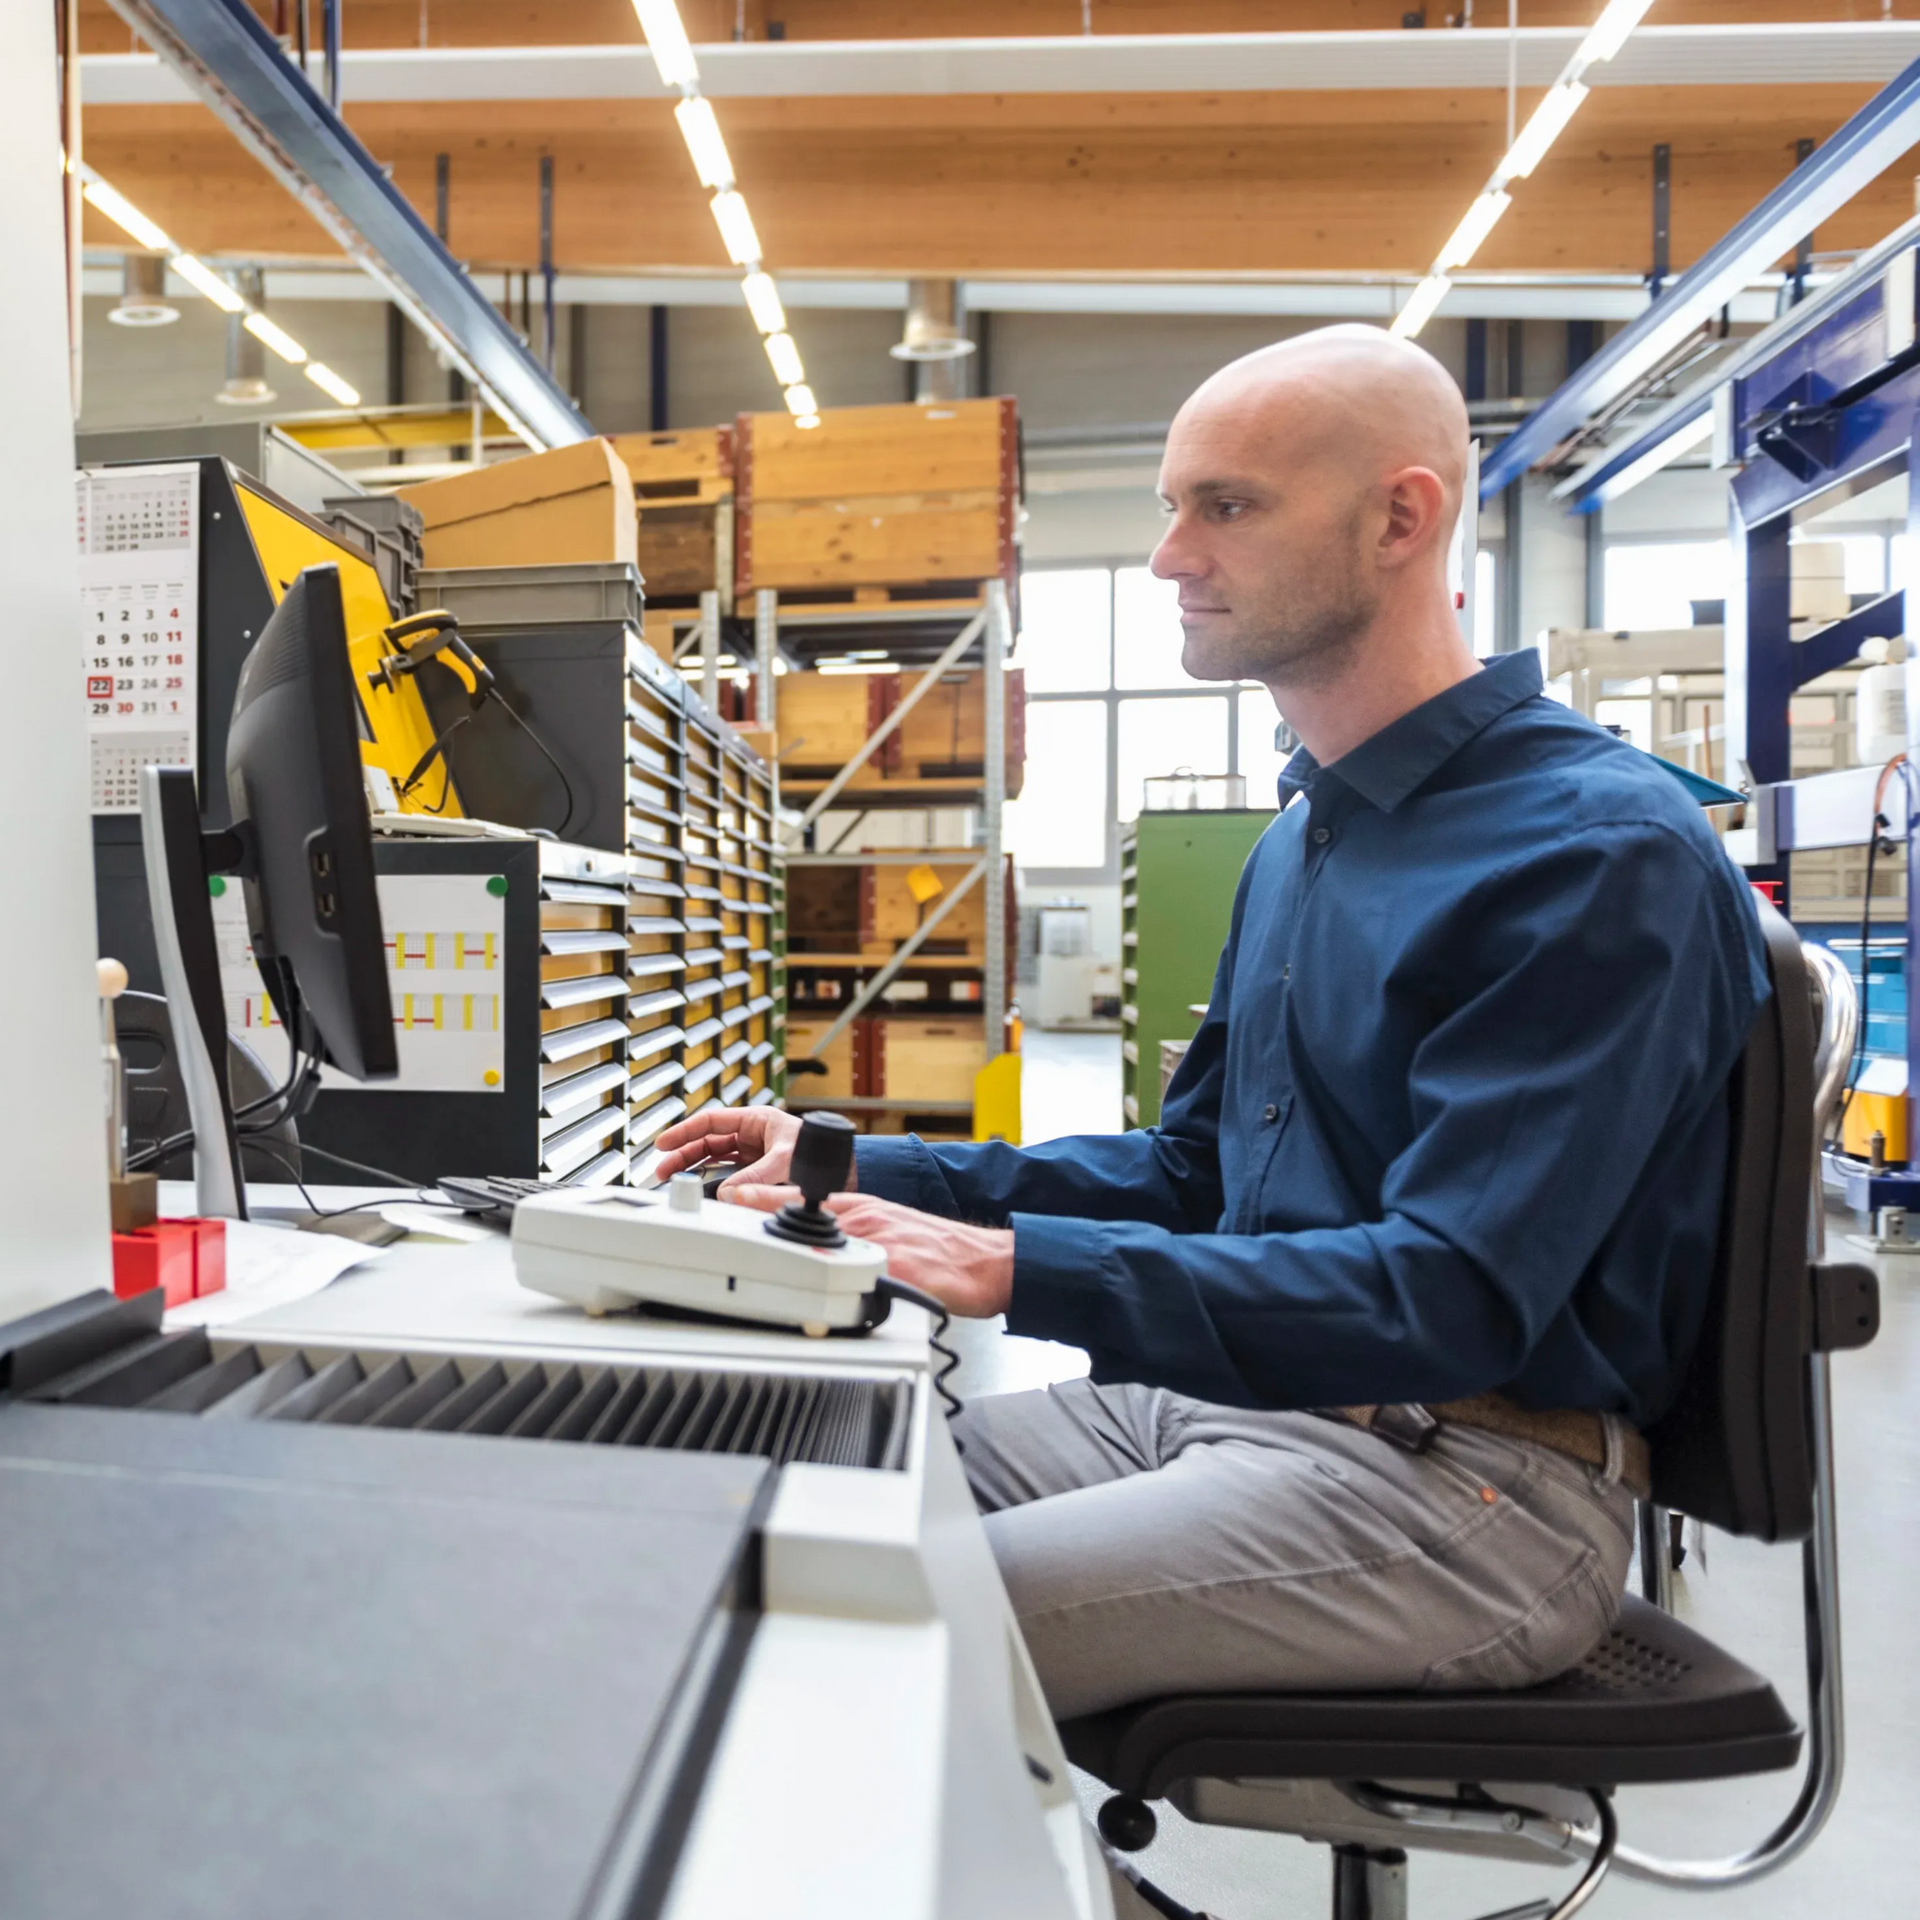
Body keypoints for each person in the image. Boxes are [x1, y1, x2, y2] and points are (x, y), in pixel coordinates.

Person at [654, 324, 1769, 1722]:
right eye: (1171, 505)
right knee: (750, 1506)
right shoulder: (1303, 840)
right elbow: (1198, 1178)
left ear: (1399, 520)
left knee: (833, 1639)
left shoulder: (1593, 852)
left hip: (1476, 1483)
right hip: (1259, 1410)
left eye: (1226, 507)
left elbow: (1456, 1297)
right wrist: (852, 1168)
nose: (1172, 557)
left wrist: (1017, 1267)